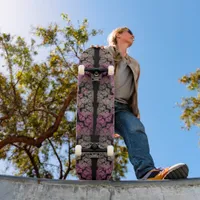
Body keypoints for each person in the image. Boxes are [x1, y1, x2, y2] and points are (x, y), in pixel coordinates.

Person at [99, 27, 189, 180]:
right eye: (129, 31)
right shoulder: (105, 52)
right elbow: (92, 68)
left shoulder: (134, 64)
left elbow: (133, 90)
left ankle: (147, 173)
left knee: (136, 128)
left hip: (122, 108)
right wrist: (96, 54)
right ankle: (96, 169)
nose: (133, 35)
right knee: (98, 142)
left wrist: (132, 114)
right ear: (118, 34)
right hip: (102, 103)